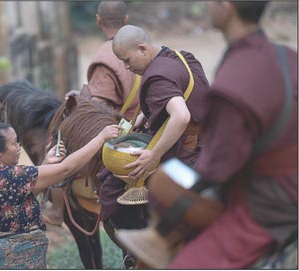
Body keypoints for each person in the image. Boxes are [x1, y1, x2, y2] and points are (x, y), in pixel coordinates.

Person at [117, 1, 298, 269]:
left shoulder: (233, 82)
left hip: (268, 206)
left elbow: (216, 171)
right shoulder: (288, 57)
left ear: (226, 7)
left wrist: (161, 182)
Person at [98, 23, 210, 252]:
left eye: (128, 60)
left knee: (110, 189)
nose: (127, 68)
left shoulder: (157, 76)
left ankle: (140, 255)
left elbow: (180, 116)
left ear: (142, 49)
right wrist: (148, 117)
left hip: (184, 155)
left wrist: (153, 155)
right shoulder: (180, 57)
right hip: (209, 142)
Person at [0, 121, 120, 269]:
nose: (18, 147)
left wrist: (46, 163)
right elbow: (66, 169)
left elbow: (23, 196)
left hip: (4, 257)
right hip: (15, 260)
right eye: (14, 143)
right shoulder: (12, 175)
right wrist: (101, 138)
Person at [43, 1, 139, 226]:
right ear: (125, 20)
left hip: (119, 134)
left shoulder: (105, 58)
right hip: (141, 124)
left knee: (54, 145)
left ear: (98, 20)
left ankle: (57, 211)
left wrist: (80, 101)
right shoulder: (138, 45)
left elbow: (98, 111)